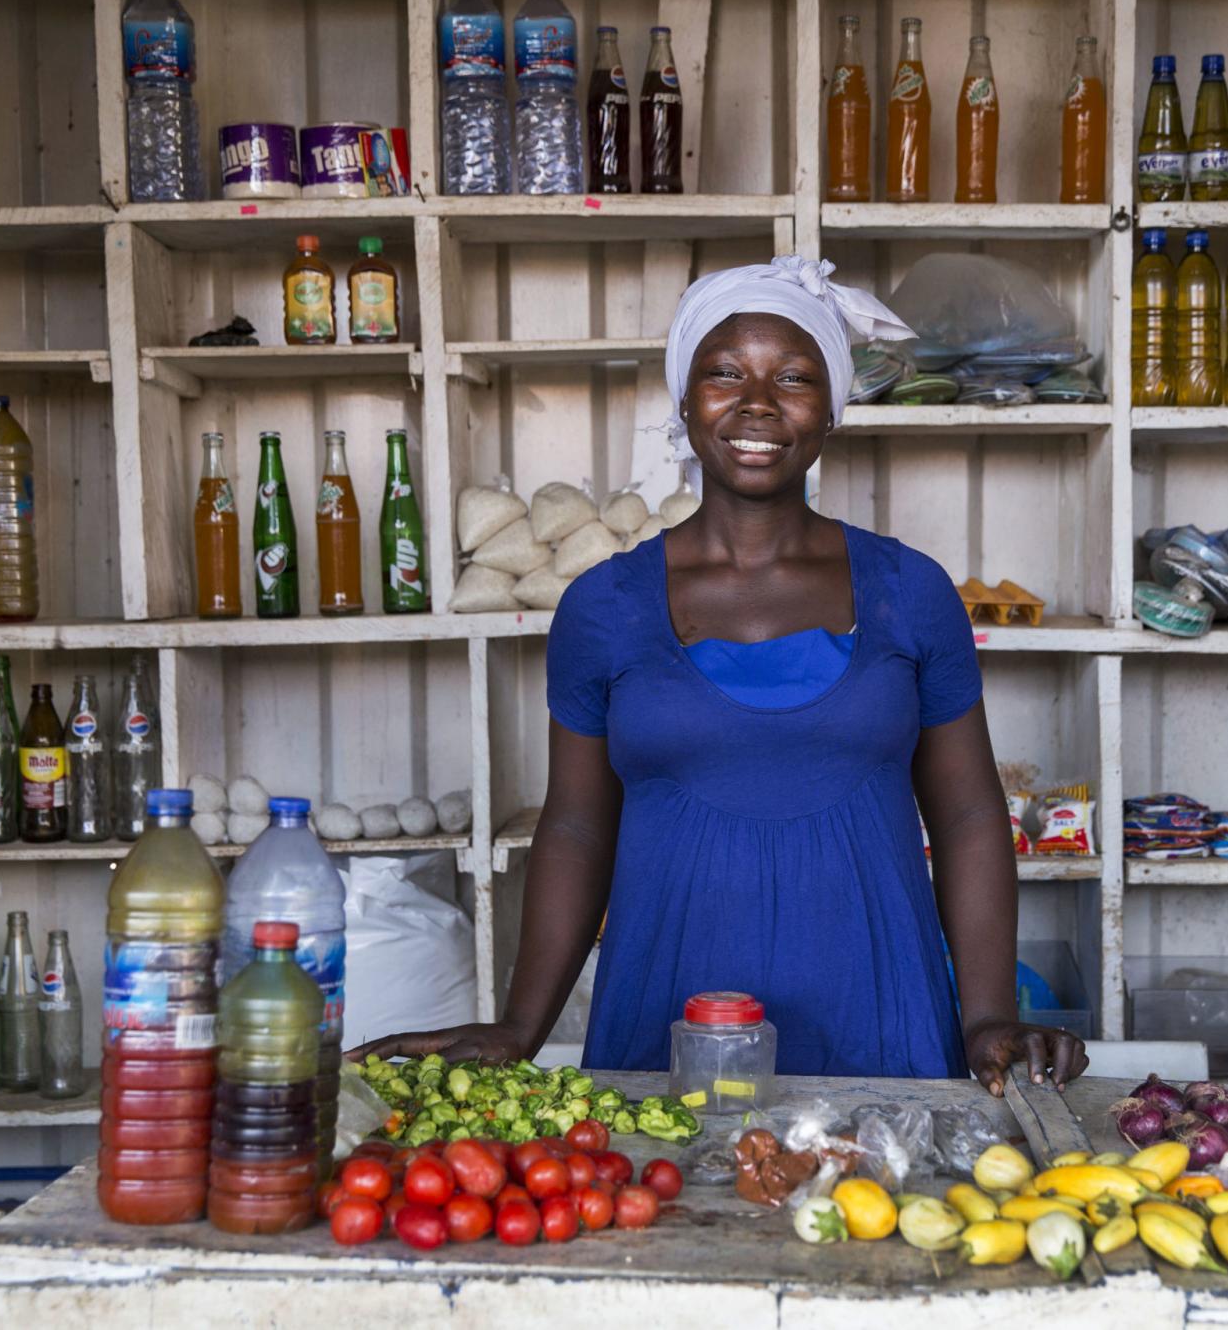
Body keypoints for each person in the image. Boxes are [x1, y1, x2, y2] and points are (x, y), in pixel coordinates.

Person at [354, 256, 1087, 1094]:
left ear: (834, 406)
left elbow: (965, 814)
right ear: (685, 395)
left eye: (795, 377)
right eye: (726, 373)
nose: (758, 404)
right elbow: (575, 830)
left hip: (878, 1011)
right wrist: (522, 1027)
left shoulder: (909, 592)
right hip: (663, 1013)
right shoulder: (604, 608)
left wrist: (985, 1015)